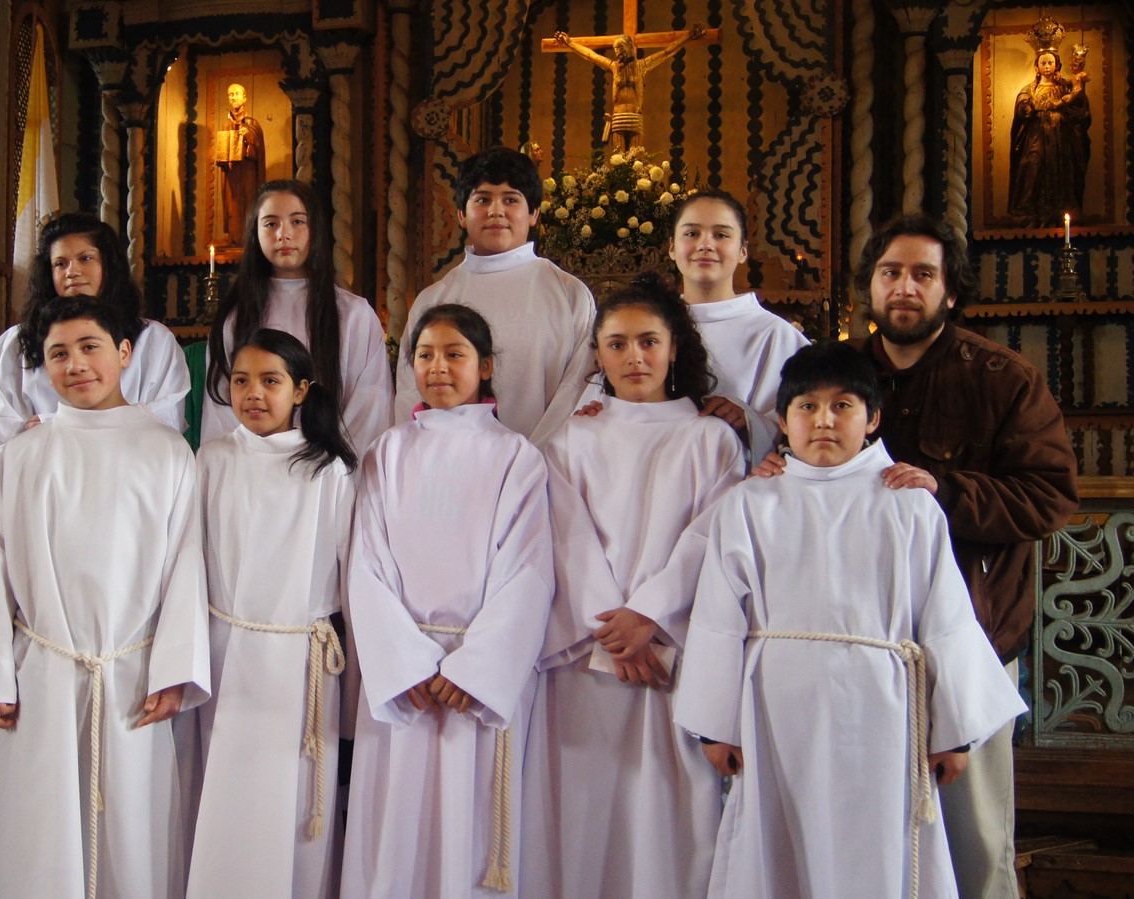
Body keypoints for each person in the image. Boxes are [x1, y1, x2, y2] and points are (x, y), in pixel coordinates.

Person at [676, 342, 1026, 898]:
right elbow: (720, 617)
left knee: (877, 849)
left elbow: (946, 618)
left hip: (882, 713)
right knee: (780, 848)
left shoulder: (908, 503)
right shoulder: (751, 504)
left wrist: (953, 729)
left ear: (873, 419)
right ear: (784, 422)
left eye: (842, 406)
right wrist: (715, 723)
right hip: (777, 711)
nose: (823, 421)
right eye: (806, 407)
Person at [851, 214, 1077, 899]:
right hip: (859, 641)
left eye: (924, 274)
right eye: (891, 273)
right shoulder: (836, 375)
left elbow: (1048, 496)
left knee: (974, 841)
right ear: (870, 286)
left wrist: (945, 489)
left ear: (951, 292)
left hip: (970, 639)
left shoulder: (1002, 377)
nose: (905, 288)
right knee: (865, 834)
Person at [0, 297, 209, 899]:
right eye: (57, 354)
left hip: (132, 672)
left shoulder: (166, 452)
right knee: (37, 832)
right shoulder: (23, 454)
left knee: (132, 832)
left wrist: (175, 670)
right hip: (43, 672)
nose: (75, 365)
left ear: (124, 353)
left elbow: (187, 566)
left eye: (89, 347)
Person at [521, 274, 743, 898]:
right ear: (597, 355)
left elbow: (713, 539)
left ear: (676, 350)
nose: (634, 357)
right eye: (616, 344)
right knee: (579, 811)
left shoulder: (711, 440)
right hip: (587, 659)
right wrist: (614, 630)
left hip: (670, 653)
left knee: (668, 810)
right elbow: (562, 537)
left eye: (649, 341)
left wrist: (647, 615)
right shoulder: (573, 436)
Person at [343, 304, 554, 896]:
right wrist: (403, 664)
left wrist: (475, 667)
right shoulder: (388, 452)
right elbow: (366, 564)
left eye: (454, 354)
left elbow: (529, 573)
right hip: (404, 679)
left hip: (473, 679)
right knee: (395, 824)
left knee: (472, 827)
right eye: (425, 355)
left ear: (485, 366)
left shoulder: (517, 457)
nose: (438, 367)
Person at [187, 329, 357, 899]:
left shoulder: (327, 469)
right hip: (222, 649)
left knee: (292, 799)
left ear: (301, 389)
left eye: (270, 381)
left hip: (299, 661)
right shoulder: (211, 460)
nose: (253, 393)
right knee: (223, 791)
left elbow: (349, 571)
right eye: (240, 380)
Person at [576, 189, 810, 457]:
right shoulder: (640, 325)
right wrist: (596, 410)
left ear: (743, 250)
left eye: (721, 235)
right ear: (673, 248)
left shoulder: (775, 336)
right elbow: (602, 399)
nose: (705, 245)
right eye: (691, 233)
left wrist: (749, 422)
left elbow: (807, 423)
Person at [393, 147, 595, 445]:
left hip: (549, 468)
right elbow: (410, 393)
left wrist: (531, 462)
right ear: (461, 214)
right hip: (449, 465)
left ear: (534, 213)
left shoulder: (569, 294)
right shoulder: (433, 301)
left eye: (511, 199)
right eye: (482, 199)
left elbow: (579, 388)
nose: (496, 211)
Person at [0, 212, 189, 469]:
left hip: (126, 481)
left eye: (85, 258)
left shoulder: (153, 340)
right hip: (45, 483)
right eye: (60, 264)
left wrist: (53, 426)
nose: (72, 272)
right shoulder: (14, 345)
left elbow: (163, 426)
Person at [199, 180, 393, 456]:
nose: (284, 234)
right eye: (270, 223)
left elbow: (369, 409)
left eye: (298, 222)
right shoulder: (235, 319)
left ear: (316, 230)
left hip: (329, 472)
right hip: (253, 470)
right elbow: (221, 408)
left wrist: (328, 466)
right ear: (255, 233)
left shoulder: (354, 314)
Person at [551, 25, 707, 152]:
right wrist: (570, 43)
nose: (617, 52)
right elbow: (590, 55)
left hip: (634, 115)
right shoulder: (613, 67)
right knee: (618, 160)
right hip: (618, 115)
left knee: (635, 160)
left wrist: (687, 37)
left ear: (628, 47)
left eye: (620, 48)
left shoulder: (641, 66)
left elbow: (667, 52)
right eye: (615, 49)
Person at [1009, 48, 1091, 224]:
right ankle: (1027, 208)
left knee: (1062, 167)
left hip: (1060, 137)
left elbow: (1080, 108)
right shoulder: (1030, 89)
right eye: (1043, 63)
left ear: (1057, 65)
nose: (1047, 66)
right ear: (1037, 67)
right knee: (1032, 164)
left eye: (1050, 63)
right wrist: (1025, 107)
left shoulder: (1064, 86)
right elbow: (1022, 102)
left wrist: (1075, 99)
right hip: (1036, 136)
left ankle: (1063, 208)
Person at [217, 83, 267, 245]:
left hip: (248, 173)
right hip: (232, 174)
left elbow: (259, 149)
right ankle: (234, 238)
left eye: (237, 94)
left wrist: (248, 137)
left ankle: (250, 239)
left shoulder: (252, 123)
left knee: (248, 202)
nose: (234, 97)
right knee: (232, 206)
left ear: (244, 98)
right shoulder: (225, 125)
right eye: (231, 94)